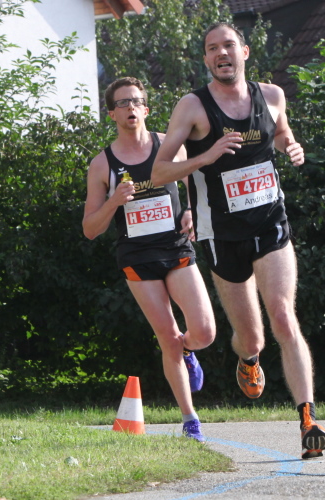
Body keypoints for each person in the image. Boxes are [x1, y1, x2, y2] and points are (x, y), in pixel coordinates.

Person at [152, 22, 325, 459]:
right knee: (252, 339)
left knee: (283, 316)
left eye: (228, 45)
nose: (221, 53)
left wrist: (292, 146)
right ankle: (249, 360)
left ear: (244, 52)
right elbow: (158, 172)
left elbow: (282, 133)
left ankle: (308, 420)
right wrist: (207, 156)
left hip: (270, 223)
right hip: (222, 236)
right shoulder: (193, 107)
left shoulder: (271, 96)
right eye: (212, 48)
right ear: (206, 59)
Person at [83, 77, 215, 442]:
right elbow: (90, 229)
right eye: (121, 103)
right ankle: (190, 420)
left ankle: (189, 350)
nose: (129, 108)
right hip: (137, 257)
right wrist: (113, 201)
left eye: (135, 101)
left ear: (146, 109)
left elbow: (198, 188)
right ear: (111, 114)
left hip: (175, 247)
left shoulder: (168, 146)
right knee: (167, 337)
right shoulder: (102, 165)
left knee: (204, 332)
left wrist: (193, 211)